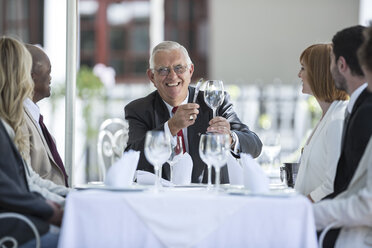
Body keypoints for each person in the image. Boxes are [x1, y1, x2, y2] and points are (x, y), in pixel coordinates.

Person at [125, 41, 262, 183]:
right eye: (163, 70)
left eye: (179, 68)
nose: (172, 76)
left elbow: (255, 147)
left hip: (211, 197)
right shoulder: (139, 110)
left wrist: (230, 139)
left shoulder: (213, 102)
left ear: (190, 71)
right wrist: (171, 127)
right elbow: (131, 159)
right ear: (152, 77)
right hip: (163, 198)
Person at [313, 25, 372, 248]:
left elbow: (358, 194)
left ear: (341, 64)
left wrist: (308, 213)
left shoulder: (366, 112)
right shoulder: (354, 109)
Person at [0, 36, 62, 247]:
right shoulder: (7, 124)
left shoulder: (5, 124)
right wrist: (51, 210)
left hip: (28, 219)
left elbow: (26, 180)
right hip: (17, 231)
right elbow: (11, 190)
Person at [295, 44, 348, 203]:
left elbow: (333, 184)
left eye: (303, 68)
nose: (299, 74)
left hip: (319, 218)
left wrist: (302, 205)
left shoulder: (337, 120)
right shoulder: (327, 116)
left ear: (319, 73)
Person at [22, 44, 69, 187]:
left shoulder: (33, 114)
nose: (50, 78)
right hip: (45, 203)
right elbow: (28, 179)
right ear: (31, 77)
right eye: (48, 72)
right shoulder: (18, 117)